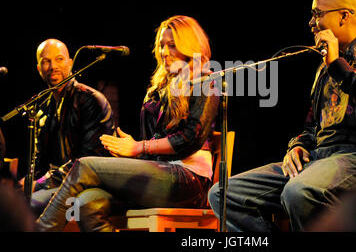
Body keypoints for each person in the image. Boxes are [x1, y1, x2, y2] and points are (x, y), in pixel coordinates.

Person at [208, 0, 356, 231]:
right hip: (319, 158)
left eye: (317, 14)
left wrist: (338, 65)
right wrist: (297, 146)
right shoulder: (325, 64)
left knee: (299, 191)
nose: (311, 22)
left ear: (343, 16)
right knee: (223, 194)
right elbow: (313, 126)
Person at [36, 15, 220, 231]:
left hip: (189, 182)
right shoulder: (159, 88)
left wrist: (140, 147)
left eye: (172, 46)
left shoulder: (205, 81)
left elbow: (191, 138)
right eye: (161, 46)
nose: (164, 53)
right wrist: (135, 150)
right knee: (87, 202)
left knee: (85, 165)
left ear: (189, 47)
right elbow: (154, 149)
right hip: (159, 175)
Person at [23, 38, 115, 215]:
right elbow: (40, 162)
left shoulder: (89, 100)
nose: (53, 66)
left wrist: (40, 184)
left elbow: (89, 162)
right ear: (38, 68)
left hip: (89, 185)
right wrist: (27, 183)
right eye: (46, 61)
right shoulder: (43, 108)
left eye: (59, 59)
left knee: (28, 204)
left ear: (71, 63)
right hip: (61, 184)